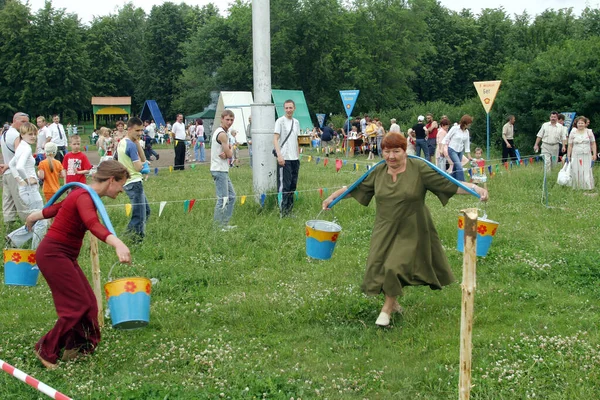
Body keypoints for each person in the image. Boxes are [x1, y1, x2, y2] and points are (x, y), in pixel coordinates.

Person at [321, 132, 488, 327]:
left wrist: (475, 189)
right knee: (377, 268)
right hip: (384, 227)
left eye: (396, 151)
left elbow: (447, 183)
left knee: (394, 267)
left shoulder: (419, 168)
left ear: (405, 151)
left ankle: (386, 311)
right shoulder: (378, 171)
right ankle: (395, 304)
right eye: (386, 151)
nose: (391, 156)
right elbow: (356, 187)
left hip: (413, 227)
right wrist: (333, 197)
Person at [25, 160, 131, 369]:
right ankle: (46, 349)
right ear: (111, 180)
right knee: (75, 306)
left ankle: (79, 349)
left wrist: (34, 216)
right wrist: (117, 242)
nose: (122, 190)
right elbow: (92, 224)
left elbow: (58, 207)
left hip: (63, 255)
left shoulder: (84, 195)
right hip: (53, 255)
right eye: (121, 184)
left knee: (89, 303)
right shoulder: (84, 196)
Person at [6, 122, 48, 249]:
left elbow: (12, 165)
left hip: (26, 189)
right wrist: (27, 180)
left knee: (36, 219)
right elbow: (18, 166)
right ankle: (36, 250)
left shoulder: (21, 147)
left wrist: (19, 179)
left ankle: (13, 238)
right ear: (22, 134)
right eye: (30, 134)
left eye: (35, 134)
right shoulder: (26, 148)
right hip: (30, 189)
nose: (33, 136)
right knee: (41, 221)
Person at [117, 117, 150, 240]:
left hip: (129, 181)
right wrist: (144, 167)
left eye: (141, 130)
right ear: (129, 129)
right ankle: (136, 239)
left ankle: (130, 235)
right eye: (137, 130)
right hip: (134, 182)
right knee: (139, 215)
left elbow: (142, 158)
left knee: (146, 211)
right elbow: (138, 166)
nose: (140, 133)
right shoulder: (130, 145)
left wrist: (137, 143)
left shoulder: (123, 142)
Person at [2, 112, 30, 226]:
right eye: (22, 122)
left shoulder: (5, 134)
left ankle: (8, 229)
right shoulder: (15, 136)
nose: (25, 125)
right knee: (21, 201)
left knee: (8, 203)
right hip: (15, 173)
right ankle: (29, 227)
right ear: (15, 120)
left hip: (7, 174)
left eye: (26, 122)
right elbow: (18, 155)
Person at [273, 99, 301, 217]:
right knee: (284, 185)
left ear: (294, 108)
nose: (289, 110)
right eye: (287, 108)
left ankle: (289, 210)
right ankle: (282, 212)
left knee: (292, 186)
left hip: (294, 158)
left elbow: (296, 139)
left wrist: (298, 155)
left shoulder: (296, 122)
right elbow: (275, 139)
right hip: (284, 158)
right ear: (284, 109)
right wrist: (279, 155)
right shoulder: (280, 121)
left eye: (291, 108)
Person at [210, 110, 236, 229]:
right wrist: (229, 151)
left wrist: (228, 151)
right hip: (219, 169)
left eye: (231, 120)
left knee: (232, 196)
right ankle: (217, 226)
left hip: (223, 169)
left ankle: (224, 223)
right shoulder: (222, 134)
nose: (229, 122)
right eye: (227, 119)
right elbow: (230, 154)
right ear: (221, 119)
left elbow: (228, 153)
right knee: (223, 199)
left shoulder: (225, 133)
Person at [567, 116, 597, 190]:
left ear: (585, 124)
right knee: (576, 170)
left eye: (582, 123)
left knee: (586, 170)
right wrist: (568, 156)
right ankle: (577, 187)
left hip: (587, 154)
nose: (580, 124)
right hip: (576, 154)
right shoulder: (573, 132)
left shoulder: (589, 132)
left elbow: (593, 143)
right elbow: (570, 145)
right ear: (576, 124)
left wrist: (594, 154)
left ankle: (588, 187)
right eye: (579, 123)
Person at [442, 114, 473, 182]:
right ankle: (462, 183)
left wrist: (469, 155)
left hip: (460, 151)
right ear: (464, 123)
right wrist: (442, 149)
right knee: (459, 166)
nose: (470, 125)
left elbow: (467, 144)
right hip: (452, 150)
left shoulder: (467, 132)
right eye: (469, 123)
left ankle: (447, 180)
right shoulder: (455, 128)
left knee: (455, 168)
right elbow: (446, 138)